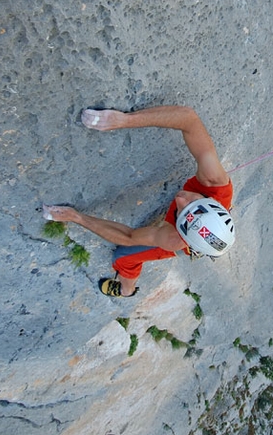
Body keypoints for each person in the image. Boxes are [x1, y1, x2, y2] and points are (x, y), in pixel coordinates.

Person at [43, 106, 235, 298]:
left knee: (124, 257)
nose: (180, 199)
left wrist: (77, 218)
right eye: (194, 203)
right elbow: (189, 119)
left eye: (182, 214)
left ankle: (127, 291)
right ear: (213, 204)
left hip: (176, 239)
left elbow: (129, 236)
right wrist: (125, 120)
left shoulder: (173, 239)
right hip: (199, 224)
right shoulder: (215, 183)